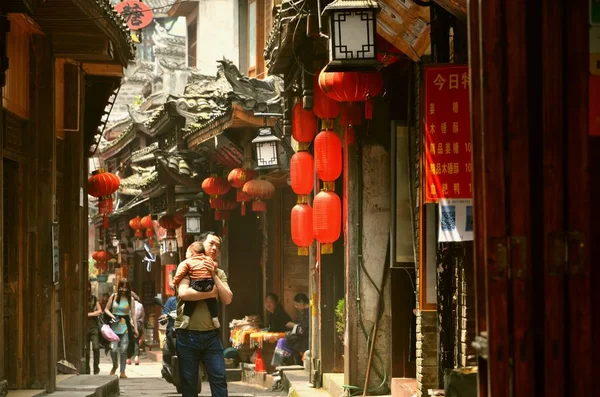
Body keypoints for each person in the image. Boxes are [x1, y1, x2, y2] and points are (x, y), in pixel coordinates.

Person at [176, 231, 233, 397]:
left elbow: (228, 298)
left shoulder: (219, 273)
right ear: (200, 245)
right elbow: (184, 293)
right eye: (211, 244)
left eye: (218, 246)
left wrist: (213, 275)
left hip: (211, 337)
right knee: (189, 384)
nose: (215, 248)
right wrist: (211, 293)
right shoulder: (188, 268)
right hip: (187, 336)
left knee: (219, 377)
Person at [172, 246, 220, 329]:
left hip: (197, 284)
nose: (186, 254)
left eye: (187, 252)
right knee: (211, 300)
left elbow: (180, 274)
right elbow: (215, 264)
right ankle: (215, 318)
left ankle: (186, 317)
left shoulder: (187, 262)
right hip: (208, 284)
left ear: (192, 252)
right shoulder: (207, 259)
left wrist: (174, 282)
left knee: (191, 300)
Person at [104, 278, 138, 378]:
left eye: (125, 288)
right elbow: (106, 309)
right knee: (114, 349)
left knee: (124, 349)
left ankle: (122, 371)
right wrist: (113, 316)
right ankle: (115, 366)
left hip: (125, 327)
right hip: (113, 327)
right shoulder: (113, 296)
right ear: (119, 287)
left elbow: (134, 315)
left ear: (128, 289)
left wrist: (135, 328)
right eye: (122, 287)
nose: (123, 289)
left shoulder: (130, 299)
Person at [271, 293, 310, 367]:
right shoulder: (306, 313)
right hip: (302, 340)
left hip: (305, 342)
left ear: (301, 303)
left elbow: (302, 330)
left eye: (296, 305)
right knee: (282, 341)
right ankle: (280, 365)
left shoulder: (308, 313)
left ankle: (279, 366)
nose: (296, 307)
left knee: (282, 342)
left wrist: (293, 327)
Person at [86, 281, 102, 375]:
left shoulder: (94, 298)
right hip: (84, 329)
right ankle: (87, 370)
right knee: (86, 351)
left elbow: (100, 311)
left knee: (96, 348)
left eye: (88, 287)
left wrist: (89, 314)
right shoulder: (81, 299)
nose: (87, 289)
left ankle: (96, 368)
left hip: (94, 327)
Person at [128, 292, 145, 366]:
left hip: (129, 325)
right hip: (138, 324)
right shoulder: (140, 305)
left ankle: (128, 358)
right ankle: (136, 357)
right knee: (136, 342)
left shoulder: (128, 304)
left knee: (129, 342)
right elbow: (143, 316)